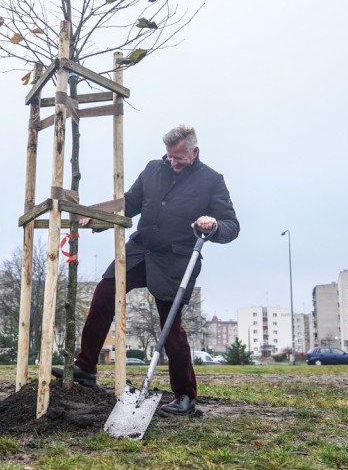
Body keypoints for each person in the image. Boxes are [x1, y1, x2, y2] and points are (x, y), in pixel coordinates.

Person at [58, 125, 239, 416]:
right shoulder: (154, 169)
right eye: (170, 157)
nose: (173, 163)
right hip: (140, 250)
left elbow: (232, 225)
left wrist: (213, 225)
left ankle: (185, 395)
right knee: (104, 293)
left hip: (176, 260)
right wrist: (97, 218)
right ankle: (85, 367)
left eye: (179, 158)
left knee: (170, 326)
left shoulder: (212, 181)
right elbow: (129, 204)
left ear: (194, 152)